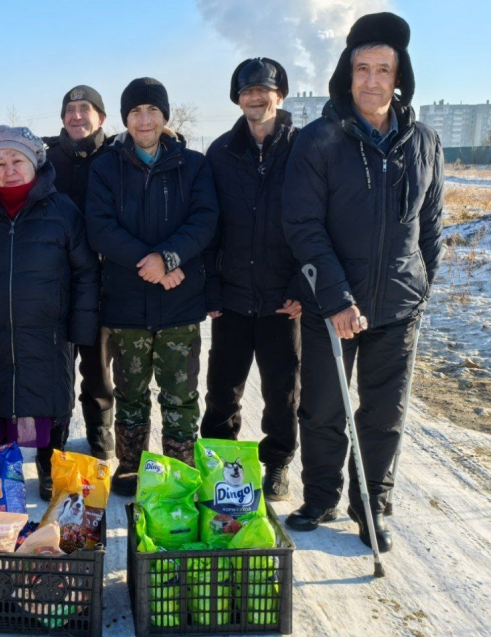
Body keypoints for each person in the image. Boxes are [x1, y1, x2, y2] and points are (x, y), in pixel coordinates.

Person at [282, 12, 443, 552]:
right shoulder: (318, 140)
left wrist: (419, 288)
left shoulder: (424, 141)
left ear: (400, 77)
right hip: (333, 307)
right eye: (362, 69)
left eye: (383, 70)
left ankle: (372, 505)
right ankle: (322, 495)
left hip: (398, 309)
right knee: (324, 406)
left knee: (384, 413)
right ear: (347, 75)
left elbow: (433, 225)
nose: (372, 81)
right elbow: (302, 226)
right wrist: (336, 300)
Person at [0, 126, 99, 501]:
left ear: (34, 163)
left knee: (46, 406)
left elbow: (85, 272)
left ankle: (49, 467)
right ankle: (2, 473)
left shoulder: (62, 211)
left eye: (16, 160)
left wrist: (81, 327)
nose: (8, 168)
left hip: (48, 333)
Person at [86, 78, 218, 495]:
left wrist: (170, 259)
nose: (144, 120)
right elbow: (100, 227)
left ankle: (178, 471)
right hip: (125, 303)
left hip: (180, 302)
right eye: (136, 112)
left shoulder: (192, 165)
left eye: (152, 111)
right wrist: (152, 263)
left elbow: (203, 220)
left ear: (165, 116)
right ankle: (130, 465)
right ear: (125, 118)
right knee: (130, 391)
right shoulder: (106, 166)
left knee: (180, 394)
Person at [201, 58, 301, 502]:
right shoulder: (220, 153)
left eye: (264, 89)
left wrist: (304, 285)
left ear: (280, 95)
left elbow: (319, 222)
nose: (255, 97)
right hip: (234, 296)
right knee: (223, 388)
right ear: (236, 97)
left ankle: (277, 464)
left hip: (285, 299)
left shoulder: (304, 148)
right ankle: (220, 465)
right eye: (246, 90)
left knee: (283, 391)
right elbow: (208, 224)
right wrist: (211, 284)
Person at [44, 85, 115, 461]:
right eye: (69, 109)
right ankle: (52, 434)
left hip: (102, 278)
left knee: (97, 363)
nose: (76, 115)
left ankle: (99, 432)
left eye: (85, 108)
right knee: (55, 363)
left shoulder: (118, 155)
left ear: (101, 117)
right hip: (54, 277)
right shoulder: (46, 160)